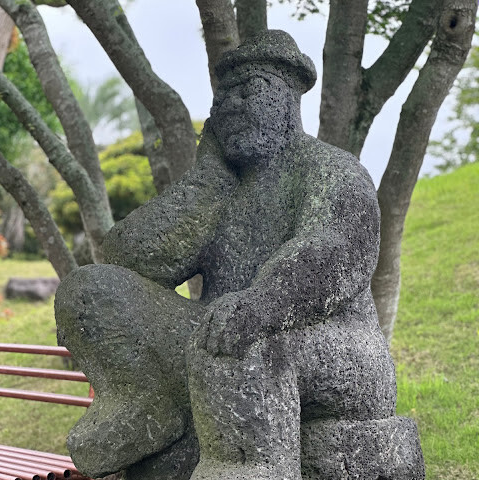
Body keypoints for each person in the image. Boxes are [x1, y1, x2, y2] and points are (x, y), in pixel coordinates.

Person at [56, 30, 424, 480]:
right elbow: (127, 259)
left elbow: (331, 254)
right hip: (220, 332)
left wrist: (260, 306)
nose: (231, 106)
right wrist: (207, 180)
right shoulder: (220, 190)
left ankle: (247, 467)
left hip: (333, 345)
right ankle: (149, 405)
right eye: (223, 98)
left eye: (250, 92)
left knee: (238, 341)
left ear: (286, 101)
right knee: (89, 292)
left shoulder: (331, 170)